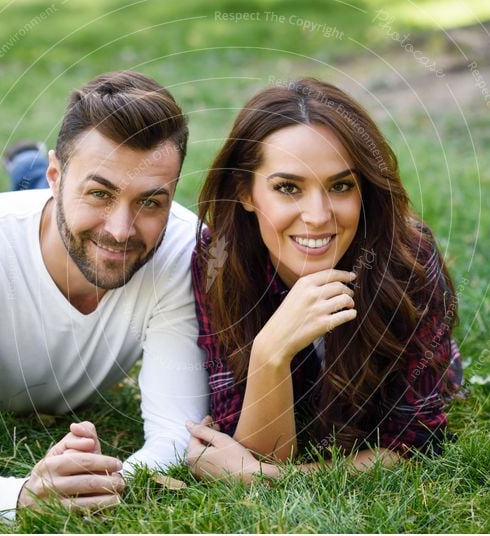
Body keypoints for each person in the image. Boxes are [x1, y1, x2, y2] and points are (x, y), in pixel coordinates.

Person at [0, 71, 208, 519]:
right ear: (58, 175)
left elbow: (175, 431)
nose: (121, 229)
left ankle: (31, 165)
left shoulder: (185, 253)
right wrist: (22, 498)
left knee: (78, 226)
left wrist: (111, 483)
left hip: (45, 210)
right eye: (100, 192)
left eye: (151, 201)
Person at [186, 78, 463, 481]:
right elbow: (249, 446)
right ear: (245, 192)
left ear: (363, 189)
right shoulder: (219, 260)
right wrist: (270, 353)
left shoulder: (408, 260)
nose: (317, 215)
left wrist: (278, 479)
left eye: (340, 186)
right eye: (287, 187)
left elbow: (416, 445)